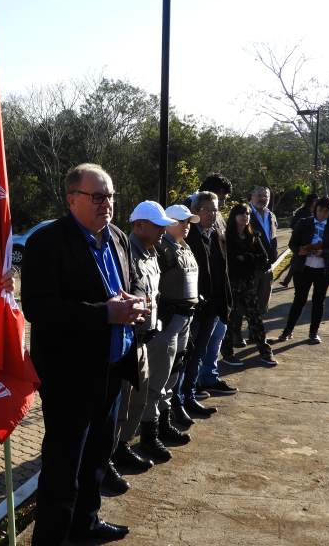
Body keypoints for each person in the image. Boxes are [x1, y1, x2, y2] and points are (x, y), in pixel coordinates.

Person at [23, 164, 147, 545]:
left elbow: (123, 285)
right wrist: (106, 313)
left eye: (110, 196)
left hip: (112, 368)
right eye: (98, 196)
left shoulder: (117, 239)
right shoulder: (46, 242)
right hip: (69, 377)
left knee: (96, 459)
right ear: (71, 198)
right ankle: (52, 538)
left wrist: (131, 301)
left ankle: (86, 524)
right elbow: (39, 309)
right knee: (63, 468)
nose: (106, 204)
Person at [109, 201, 177, 477]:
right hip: (126, 339)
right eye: (158, 226)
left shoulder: (151, 253)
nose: (164, 231)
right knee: (120, 403)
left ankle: (123, 446)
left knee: (138, 397)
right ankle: (108, 457)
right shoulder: (126, 253)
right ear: (139, 225)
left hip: (144, 339)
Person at [142, 204, 214, 444]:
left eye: (188, 222)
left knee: (172, 375)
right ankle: (151, 434)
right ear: (167, 222)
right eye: (181, 221)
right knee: (158, 380)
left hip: (185, 320)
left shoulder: (184, 247)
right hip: (168, 322)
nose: (186, 226)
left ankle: (165, 421)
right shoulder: (161, 250)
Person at [178, 191, 236, 404]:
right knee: (185, 355)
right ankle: (178, 400)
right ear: (194, 211)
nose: (212, 214)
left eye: (215, 209)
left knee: (200, 353)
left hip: (213, 307)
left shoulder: (217, 235)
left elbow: (224, 271)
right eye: (207, 210)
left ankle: (190, 396)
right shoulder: (186, 237)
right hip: (192, 308)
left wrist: (226, 302)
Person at [272, 197, 329, 343]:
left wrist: (322, 252)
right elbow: (292, 243)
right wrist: (299, 251)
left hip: (323, 270)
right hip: (303, 268)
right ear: (315, 209)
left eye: (326, 211)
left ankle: (313, 333)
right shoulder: (304, 223)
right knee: (299, 300)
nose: (322, 213)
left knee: (318, 301)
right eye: (320, 210)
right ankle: (287, 331)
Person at [219, 203, 278, 366]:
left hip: (249, 282)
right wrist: (251, 259)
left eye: (247, 214)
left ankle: (265, 352)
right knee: (230, 319)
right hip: (233, 282)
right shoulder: (227, 237)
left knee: (255, 317)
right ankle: (228, 353)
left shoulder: (253, 235)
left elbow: (263, 258)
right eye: (241, 213)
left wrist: (245, 257)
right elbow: (230, 261)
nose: (245, 216)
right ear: (234, 216)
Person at [280, 193, 318, 287]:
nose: (317, 202)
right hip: (302, 240)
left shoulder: (319, 211)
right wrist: (300, 231)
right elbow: (293, 224)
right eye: (315, 200)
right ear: (311, 202)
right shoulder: (301, 212)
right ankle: (287, 280)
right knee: (297, 259)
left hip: (316, 240)